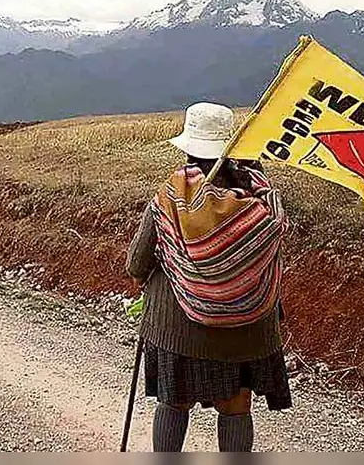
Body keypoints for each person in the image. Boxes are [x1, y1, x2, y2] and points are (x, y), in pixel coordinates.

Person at [125, 101, 292, 453]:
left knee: (174, 402)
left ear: (189, 148)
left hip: (179, 329)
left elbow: (137, 263)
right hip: (247, 331)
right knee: (236, 407)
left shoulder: (171, 197)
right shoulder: (261, 201)